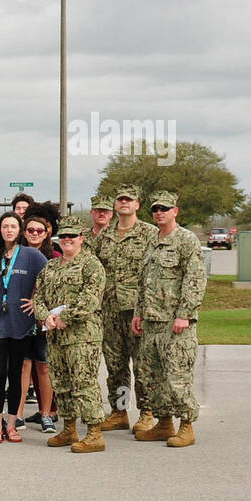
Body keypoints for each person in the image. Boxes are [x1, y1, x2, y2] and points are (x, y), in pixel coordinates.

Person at [132, 191, 206, 448]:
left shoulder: (186, 240)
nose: (159, 212)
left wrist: (184, 314)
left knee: (177, 376)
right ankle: (164, 424)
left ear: (175, 210)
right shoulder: (152, 239)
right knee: (152, 376)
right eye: (155, 209)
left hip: (175, 323)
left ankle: (186, 425)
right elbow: (144, 281)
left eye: (164, 208)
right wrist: (138, 312)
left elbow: (195, 279)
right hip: (151, 322)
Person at [28, 216, 107, 452]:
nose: (67, 240)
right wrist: (45, 316)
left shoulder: (91, 265)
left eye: (72, 236)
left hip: (83, 336)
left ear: (81, 239)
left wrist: (65, 317)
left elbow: (91, 298)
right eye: (63, 236)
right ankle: (69, 428)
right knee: (61, 383)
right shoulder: (51, 266)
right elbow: (38, 297)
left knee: (84, 383)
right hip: (55, 336)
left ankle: (94, 433)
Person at [0, 212, 48, 443]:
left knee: (17, 376)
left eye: (13, 226)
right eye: (5, 226)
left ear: (20, 230)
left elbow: (49, 279)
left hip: (22, 325)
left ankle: (12, 425)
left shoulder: (31, 255)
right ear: (0, 230)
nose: (9, 230)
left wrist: (37, 302)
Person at [96, 184, 159, 435]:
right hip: (109, 310)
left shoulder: (149, 234)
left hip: (137, 311)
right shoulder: (105, 235)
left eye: (129, 200)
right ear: (115, 205)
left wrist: (147, 308)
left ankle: (147, 412)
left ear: (137, 205)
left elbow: (155, 273)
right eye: (120, 199)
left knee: (143, 364)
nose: (124, 203)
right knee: (115, 365)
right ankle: (120, 412)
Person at [18, 211, 58, 432]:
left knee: (43, 366)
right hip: (21, 319)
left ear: (46, 233)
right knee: (23, 365)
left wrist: (39, 305)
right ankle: (19, 414)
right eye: (30, 230)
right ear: (24, 233)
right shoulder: (16, 254)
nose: (34, 234)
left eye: (39, 231)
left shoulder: (53, 257)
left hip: (44, 320)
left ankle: (46, 414)